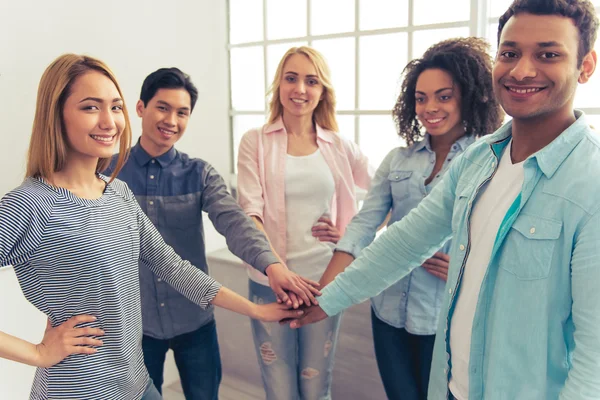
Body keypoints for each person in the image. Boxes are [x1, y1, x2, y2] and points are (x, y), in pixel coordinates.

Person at [289, 1, 600, 399]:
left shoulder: (590, 181)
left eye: (548, 54)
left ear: (586, 66)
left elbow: (593, 357)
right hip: (451, 386)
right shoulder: (477, 161)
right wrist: (327, 300)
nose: (522, 70)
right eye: (509, 53)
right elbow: (405, 242)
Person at [0, 54, 302, 400]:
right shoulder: (30, 204)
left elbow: (171, 266)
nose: (109, 121)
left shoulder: (118, 193)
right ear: (56, 115)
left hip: (137, 384)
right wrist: (37, 353)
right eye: (90, 107)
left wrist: (256, 309)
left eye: (115, 107)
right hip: (78, 390)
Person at [108, 67, 319, 399]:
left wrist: (272, 265)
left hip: (195, 321)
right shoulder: (106, 174)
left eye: (182, 113)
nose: (171, 121)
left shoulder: (199, 174)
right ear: (140, 108)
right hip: (134, 326)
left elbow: (235, 224)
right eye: (162, 107)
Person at [318, 37, 503, 400]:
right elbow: (362, 227)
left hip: (447, 318)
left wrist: (467, 269)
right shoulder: (397, 160)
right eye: (421, 97)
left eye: (444, 96)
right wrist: (321, 295)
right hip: (388, 313)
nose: (430, 107)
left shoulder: (490, 161)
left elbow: (501, 241)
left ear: (469, 96)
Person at [237, 46, 373, 400]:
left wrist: (347, 236)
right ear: (279, 85)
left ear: (323, 90)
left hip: (323, 283)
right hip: (270, 282)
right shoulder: (255, 141)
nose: (300, 89)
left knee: (315, 385)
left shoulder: (340, 146)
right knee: (279, 388)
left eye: (311, 81)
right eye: (291, 78)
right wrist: (276, 270)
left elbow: (383, 197)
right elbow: (249, 211)